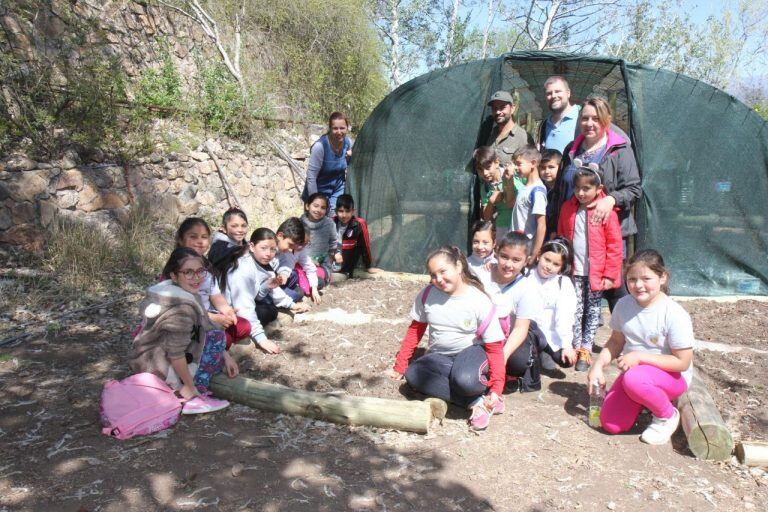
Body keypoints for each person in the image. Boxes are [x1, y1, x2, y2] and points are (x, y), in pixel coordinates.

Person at [388, 246, 506, 431]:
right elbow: (415, 330)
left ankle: (484, 394)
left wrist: (497, 388)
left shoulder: (478, 300)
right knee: (413, 374)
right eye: (433, 275)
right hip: (440, 358)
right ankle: (476, 402)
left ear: (458, 267)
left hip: (471, 355)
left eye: (443, 271)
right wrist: (401, 364)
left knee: (465, 380)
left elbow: (494, 347)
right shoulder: (427, 294)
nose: (439, 279)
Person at [588, 250, 694, 445]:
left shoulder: (674, 314)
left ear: (663, 277)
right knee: (611, 424)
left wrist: (639, 356)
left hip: (672, 377)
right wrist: (598, 365)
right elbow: (615, 342)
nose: (638, 285)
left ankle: (666, 415)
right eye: (632, 279)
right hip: (636, 376)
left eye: (646, 278)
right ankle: (644, 400)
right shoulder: (623, 305)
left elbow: (682, 362)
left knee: (634, 378)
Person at [129, 248, 237, 415]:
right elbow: (175, 353)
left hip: (148, 359)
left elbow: (207, 324)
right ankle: (194, 395)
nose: (196, 278)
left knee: (215, 335)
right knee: (216, 337)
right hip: (158, 368)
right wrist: (189, 387)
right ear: (173, 275)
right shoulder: (182, 309)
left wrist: (226, 356)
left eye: (201, 271)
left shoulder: (182, 293)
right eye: (188, 272)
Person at [557, 164, 622, 371]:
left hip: (596, 273)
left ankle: (586, 347)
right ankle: (575, 347)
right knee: (574, 308)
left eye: (586, 188)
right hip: (574, 271)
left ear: (598, 187)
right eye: (577, 188)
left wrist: (610, 274)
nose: (581, 193)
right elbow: (561, 235)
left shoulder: (606, 212)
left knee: (593, 310)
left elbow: (614, 245)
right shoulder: (568, 208)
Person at [478, 232, 545, 392]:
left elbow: (521, 327)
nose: (509, 264)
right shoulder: (482, 275)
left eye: (516, 260)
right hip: (483, 333)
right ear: (496, 252)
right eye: (504, 257)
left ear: (526, 261)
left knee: (517, 362)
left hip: (509, 334)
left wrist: (503, 356)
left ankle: (526, 358)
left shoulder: (527, 288)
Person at [174, 218, 250, 350]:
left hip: (209, 314)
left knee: (245, 326)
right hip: (188, 321)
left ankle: (217, 339)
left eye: (204, 237)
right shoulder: (176, 268)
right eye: (193, 237)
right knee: (224, 340)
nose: (199, 241)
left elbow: (215, 295)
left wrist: (227, 311)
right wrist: (213, 319)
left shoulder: (206, 265)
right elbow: (182, 309)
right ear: (180, 240)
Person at [218, 229, 286, 355]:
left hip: (237, 309)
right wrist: (261, 339)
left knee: (270, 310)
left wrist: (266, 286)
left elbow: (255, 296)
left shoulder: (254, 262)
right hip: (229, 312)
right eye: (264, 248)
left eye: (272, 249)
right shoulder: (242, 269)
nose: (268, 254)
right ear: (252, 246)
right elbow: (243, 305)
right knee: (251, 322)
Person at [526, 237, 577, 371]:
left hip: (550, 333)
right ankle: (535, 353)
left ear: (561, 268)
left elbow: (565, 316)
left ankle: (545, 351)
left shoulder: (563, 283)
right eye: (547, 260)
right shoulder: (526, 276)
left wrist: (566, 345)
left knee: (566, 361)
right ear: (538, 256)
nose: (549, 266)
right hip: (527, 331)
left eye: (556, 264)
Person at [302, 112, 353, 216]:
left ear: (347, 128)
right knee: (314, 228)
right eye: (335, 128)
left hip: (336, 193)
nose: (339, 132)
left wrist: (350, 159)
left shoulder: (348, 143)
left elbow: (348, 167)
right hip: (317, 192)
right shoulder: (320, 147)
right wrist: (315, 202)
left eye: (342, 128)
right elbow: (311, 177)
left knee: (332, 225)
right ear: (330, 128)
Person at [486, 90, 535, 181]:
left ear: (512, 108)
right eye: (494, 108)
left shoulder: (524, 137)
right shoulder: (490, 134)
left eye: (502, 107)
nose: (498, 112)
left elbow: (530, 173)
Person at [510, 145, 547, 262]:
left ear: (533, 163)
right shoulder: (525, 186)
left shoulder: (537, 191)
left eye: (519, 164)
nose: (516, 168)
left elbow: (541, 225)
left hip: (525, 250)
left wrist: (534, 254)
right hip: (515, 244)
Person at [275, 217, 322, 304]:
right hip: (271, 284)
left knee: (295, 276)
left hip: (282, 279)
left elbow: (309, 267)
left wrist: (314, 289)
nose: (299, 247)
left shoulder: (290, 248)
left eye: (305, 244)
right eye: (300, 243)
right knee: (297, 294)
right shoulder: (277, 249)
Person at [333, 194, 376, 277]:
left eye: (347, 211)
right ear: (336, 211)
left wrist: (368, 266)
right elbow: (325, 244)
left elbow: (365, 246)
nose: (344, 215)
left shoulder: (359, 224)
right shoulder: (331, 222)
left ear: (353, 211)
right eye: (341, 211)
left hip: (346, 266)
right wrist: (334, 254)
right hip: (331, 262)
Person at [474, 146, 513, 239]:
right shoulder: (485, 187)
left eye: (488, 167)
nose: (485, 173)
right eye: (480, 169)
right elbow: (486, 217)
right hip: (503, 226)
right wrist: (492, 201)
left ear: (497, 162)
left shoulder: (512, 174)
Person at [301, 193, 338, 287]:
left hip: (321, 265)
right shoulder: (299, 223)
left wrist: (327, 260)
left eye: (323, 207)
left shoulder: (329, 224)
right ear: (307, 206)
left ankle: (306, 283)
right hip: (301, 263)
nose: (319, 210)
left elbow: (333, 244)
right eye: (316, 206)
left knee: (318, 280)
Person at [538, 76, 581, 153]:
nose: (553, 96)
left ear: (568, 93)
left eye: (558, 91)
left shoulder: (582, 118)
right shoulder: (544, 124)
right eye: (549, 93)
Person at [538, 149, 562, 240]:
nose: (547, 171)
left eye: (551, 167)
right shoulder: (539, 187)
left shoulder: (562, 189)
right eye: (543, 167)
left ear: (560, 167)